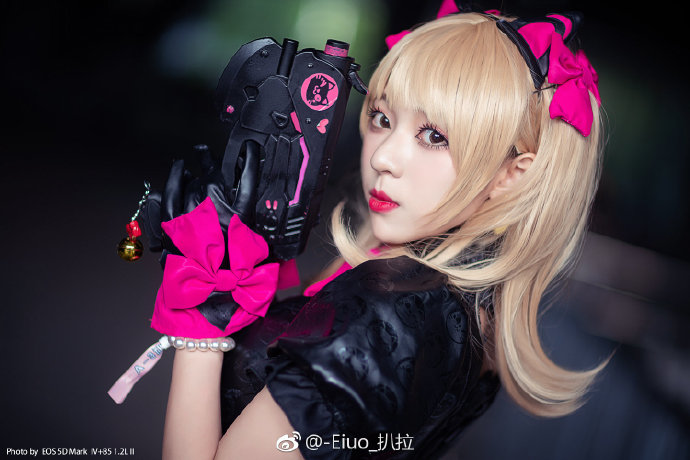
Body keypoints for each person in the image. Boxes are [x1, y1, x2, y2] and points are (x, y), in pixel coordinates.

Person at [156, 4, 610, 459]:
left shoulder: (384, 314)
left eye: (434, 136)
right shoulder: (467, 310)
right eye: (382, 118)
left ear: (511, 175)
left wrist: (201, 328)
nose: (381, 157)